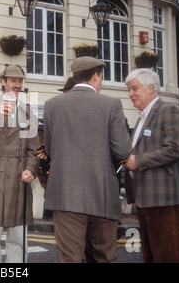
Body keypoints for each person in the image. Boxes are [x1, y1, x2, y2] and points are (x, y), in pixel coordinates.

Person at [43, 56, 131, 263]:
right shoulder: (111, 104)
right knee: (105, 256)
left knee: (71, 258)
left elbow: (50, 148)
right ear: (96, 77)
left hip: (65, 193)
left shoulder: (52, 105)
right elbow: (123, 151)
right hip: (101, 193)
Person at [123, 68, 179, 263]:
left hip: (166, 200)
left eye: (134, 88)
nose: (130, 94)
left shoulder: (168, 110)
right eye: (129, 90)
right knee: (152, 257)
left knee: (169, 257)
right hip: (146, 200)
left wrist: (137, 161)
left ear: (151, 88)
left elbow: (174, 149)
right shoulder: (142, 117)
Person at [0, 64, 40, 263]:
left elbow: (34, 150)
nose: (17, 84)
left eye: (20, 81)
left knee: (19, 238)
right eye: (13, 80)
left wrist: (31, 169)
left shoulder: (28, 112)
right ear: (2, 82)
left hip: (19, 182)